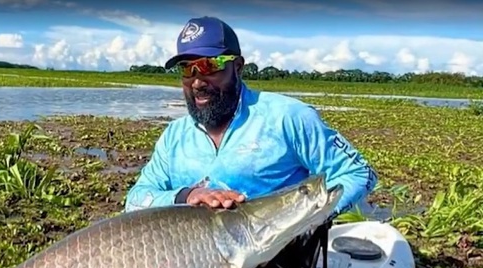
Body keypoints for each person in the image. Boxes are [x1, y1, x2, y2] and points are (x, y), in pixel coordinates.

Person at [124, 15, 378, 215]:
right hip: (196, 261)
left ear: (238, 67)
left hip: (277, 261)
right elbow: (136, 200)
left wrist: (308, 222)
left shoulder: (288, 117)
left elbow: (359, 172)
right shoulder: (174, 136)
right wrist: (185, 196)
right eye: (187, 70)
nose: (197, 82)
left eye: (209, 66)